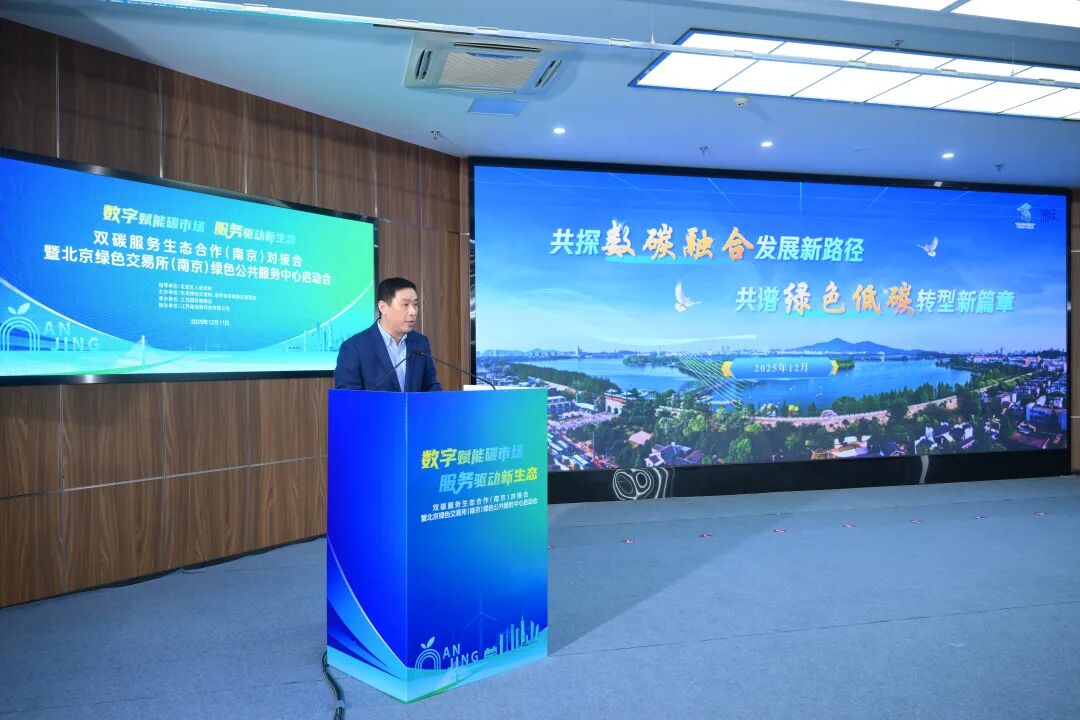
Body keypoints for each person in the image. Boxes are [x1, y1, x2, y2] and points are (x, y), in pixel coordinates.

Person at [333, 277, 442, 391]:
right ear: (383, 307)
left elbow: (430, 386)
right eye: (405, 305)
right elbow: (348, 397)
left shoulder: (420, 342)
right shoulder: (354, 348)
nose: (413, 312)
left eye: (415, 304)